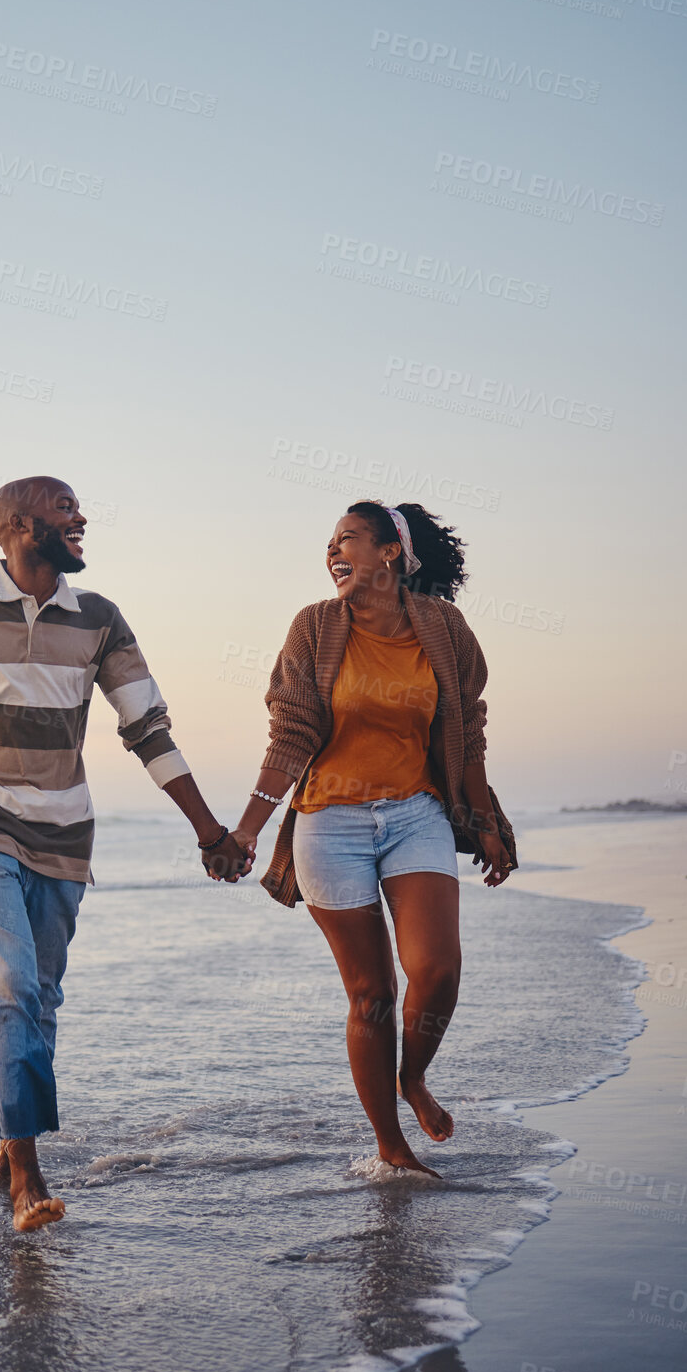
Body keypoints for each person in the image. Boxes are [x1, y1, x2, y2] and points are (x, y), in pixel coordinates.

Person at [0, 476, 249, 1231]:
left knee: (40, 999)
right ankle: (27, 1174)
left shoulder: (98, 618)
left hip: (64, 834)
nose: (80, 518)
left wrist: (208, 830)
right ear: (19, 526)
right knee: (9, 986)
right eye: (65, 510)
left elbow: (147, 727)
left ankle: (7, 1142)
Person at [229, 502, 515, 1178]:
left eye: (348, 540)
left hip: (415, 812)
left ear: (390, 552)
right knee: (371, 994)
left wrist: (485, 822)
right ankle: (392, 1147)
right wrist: (247, 826)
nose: (333, 553)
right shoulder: (315, 627)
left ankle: (410, 1077)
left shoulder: (443, 629)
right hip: (329, 822)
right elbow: (291, 732)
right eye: (328, 544)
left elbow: (465, 732)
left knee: (437, 969)